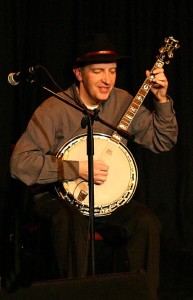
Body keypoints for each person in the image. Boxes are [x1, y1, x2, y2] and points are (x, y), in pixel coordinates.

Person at [10, 33, 178, 299]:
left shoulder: (123, 102)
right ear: (79, 73)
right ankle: (77, 294)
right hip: (57, 198)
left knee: (145, 222)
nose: (107, 79)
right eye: (98, 71)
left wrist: (161, 100)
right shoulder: (53, 109)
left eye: (112, 71)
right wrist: (76, 168)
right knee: (70, 221)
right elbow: (20, 164)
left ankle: (144, 294)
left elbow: (163, 141)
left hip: (107, 201)